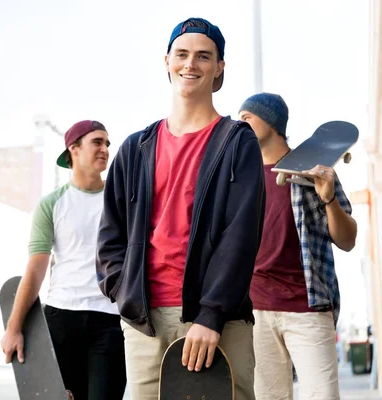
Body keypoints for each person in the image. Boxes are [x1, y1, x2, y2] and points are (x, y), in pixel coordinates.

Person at [96, 17, 265, 400]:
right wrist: (125, 293)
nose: (191, 64)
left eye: (204, 56)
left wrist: (211, 314)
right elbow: (110, 236)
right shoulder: (135, 149)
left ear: (219, 67)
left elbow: (240, 237)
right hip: (145, 324)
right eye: (182, 54)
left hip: (214, 322)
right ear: (167, 61)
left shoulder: (237, 143)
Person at [238, 92, 357, 399]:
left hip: (307, 307)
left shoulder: (313, 171)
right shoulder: (240, 178)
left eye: (247, 116)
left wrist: (328, 197)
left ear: (272, 121)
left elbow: (347, 240)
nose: (240, 122)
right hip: (256, 310)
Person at [1, 120, 127, 400]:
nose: (105, 148)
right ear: (74, 149)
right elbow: (35, 270)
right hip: (61, 319)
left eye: (107, 143)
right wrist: (14, 327)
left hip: (108, 321)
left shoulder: (120, 200)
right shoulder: (52, 204)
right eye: (97, 142)